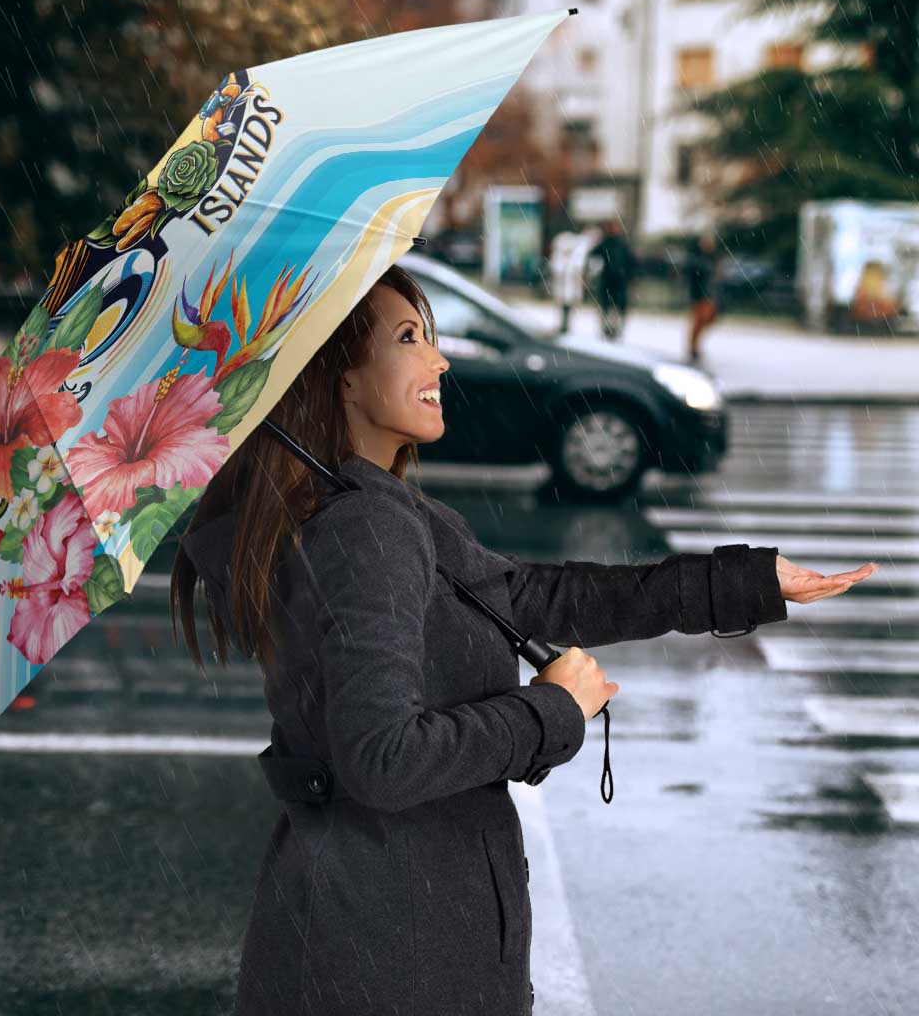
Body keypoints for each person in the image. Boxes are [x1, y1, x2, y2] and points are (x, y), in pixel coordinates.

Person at [170, 263, 871, 1016]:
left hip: (377, 932)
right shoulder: (364, 528)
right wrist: (551, 711)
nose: (439, 360)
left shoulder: (370, 509)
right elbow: (382, 760)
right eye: (409, 338)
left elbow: (533, 597)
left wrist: (745, 583)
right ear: (340, 377)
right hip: (394, 955)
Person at [587, 218, 637, 341]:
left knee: (615, 307)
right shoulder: (607, 243)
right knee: (608, 306)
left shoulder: (620, 244)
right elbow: (593, 256)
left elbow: (631, 262)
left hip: (618, 280)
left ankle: (614, 329)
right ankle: (608, 329)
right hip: (610, 280)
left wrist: (630, 276)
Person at [685, 231, 721, 362]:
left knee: (707, 320)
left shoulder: (712, 258)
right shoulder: (697, 259)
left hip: (709, 295)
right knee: (699, 321)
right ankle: (693, 347)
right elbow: (694, 278)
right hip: (700, 295)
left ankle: (694, 346)